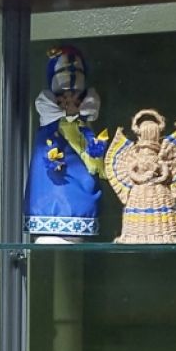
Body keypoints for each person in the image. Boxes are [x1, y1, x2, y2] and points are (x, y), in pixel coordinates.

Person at [23, 46, 110, 241]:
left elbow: (90, 112)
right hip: (54, 144)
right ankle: (47, 225)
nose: (70, 77)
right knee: (51, 180)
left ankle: (77, 226)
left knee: (84, 181)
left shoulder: (88, 104)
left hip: (80, 148)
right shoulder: (47, 104)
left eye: (76, 71)